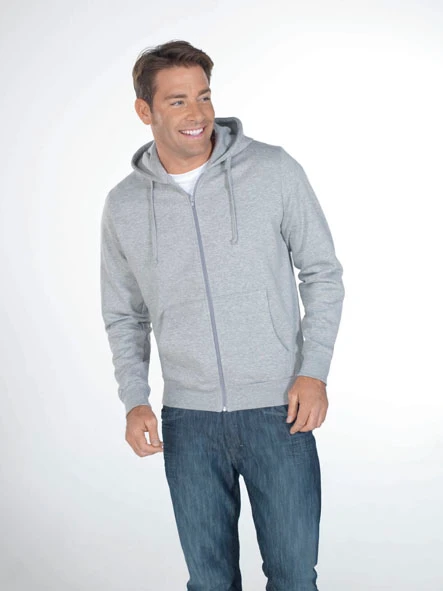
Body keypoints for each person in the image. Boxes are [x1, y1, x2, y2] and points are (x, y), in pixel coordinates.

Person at [100, 39, 345, 591]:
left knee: (293, 577)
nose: (198, 114)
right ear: (145, 110)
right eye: (178, 101)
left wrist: (314, 371)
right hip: (189, 422)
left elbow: (322, 273)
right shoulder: (125, 205)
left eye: (204, 96)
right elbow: (124, 315)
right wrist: (135, 400)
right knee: (209, 582)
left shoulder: (273, 170)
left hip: (278, 411)